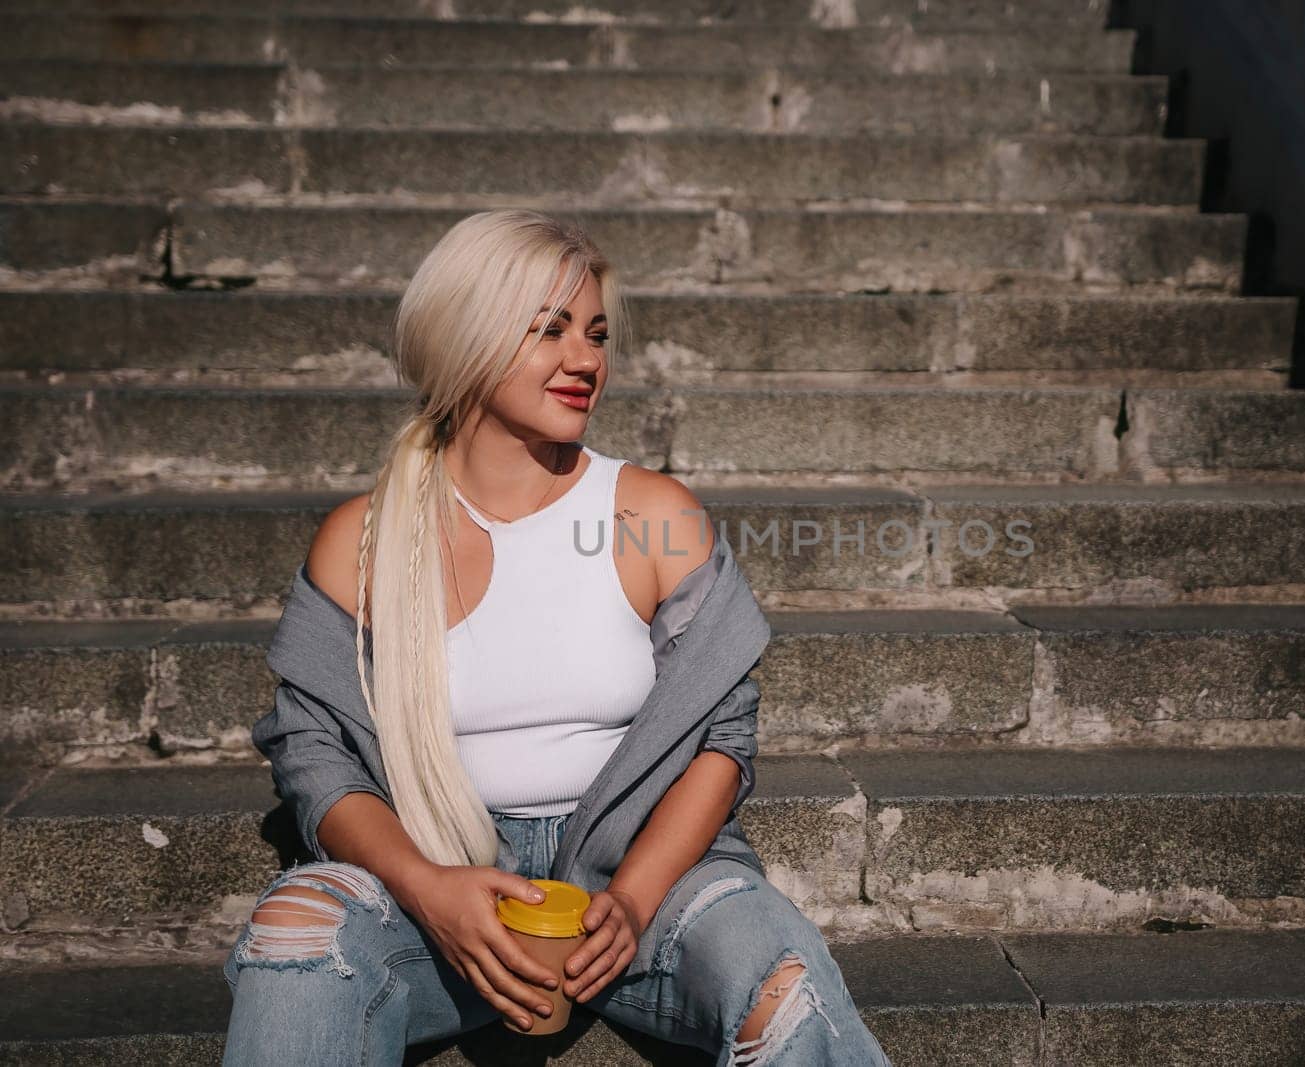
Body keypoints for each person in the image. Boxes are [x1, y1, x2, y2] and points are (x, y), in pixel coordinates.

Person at [218, 209, 890, 1067]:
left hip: (646, 875)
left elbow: (725, 737)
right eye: (551, 330)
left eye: (597, 334)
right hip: (440, 886)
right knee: (296, 934)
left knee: (782, 976)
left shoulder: (653, 515)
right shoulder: (365, 539)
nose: (587, 360)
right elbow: (313, 755)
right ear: (467, 336)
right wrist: (430, 890)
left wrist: (636, 899)